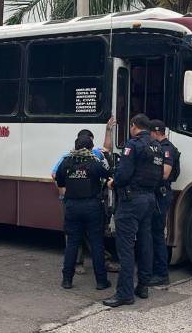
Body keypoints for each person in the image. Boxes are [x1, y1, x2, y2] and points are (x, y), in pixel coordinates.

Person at [103, 114, 164, 308]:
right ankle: (143, 286)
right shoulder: (157, 147)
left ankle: (124, 294)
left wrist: (113, 183)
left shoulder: (133, 144)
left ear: (133, 126)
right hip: (149, 199)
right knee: (145, 243)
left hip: (131, 201)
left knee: (126, 248)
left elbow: (123, 174)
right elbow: (159, 175)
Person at [51, 118, 119, 274]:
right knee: (84, 236)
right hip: (83, 202)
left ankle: (72, 272)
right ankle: (83, 264)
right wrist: (66, 194)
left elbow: (106, 148)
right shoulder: (68, 157)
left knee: (83, 235)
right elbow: (55, 174)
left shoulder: (90, 155)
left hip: (78, 202)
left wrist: (108, 130)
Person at [55, 136, 111, 290]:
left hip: (72, 206)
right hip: (92, 206)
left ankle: (67, 280)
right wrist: (106, 157)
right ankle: (101, 281)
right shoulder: (94, 162)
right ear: (90, 148)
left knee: (72, 243)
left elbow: (60, 181)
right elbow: (108, 173)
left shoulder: (66, 162)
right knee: (96, 243)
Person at [148, 119, 181, 286]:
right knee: (153, 233)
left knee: (157, 234)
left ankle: (161, 273)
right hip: (158, 194)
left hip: (161, 195)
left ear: (155, 132)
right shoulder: (161, 147)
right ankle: (154, 269)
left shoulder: (166, 149)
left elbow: (165, 173)